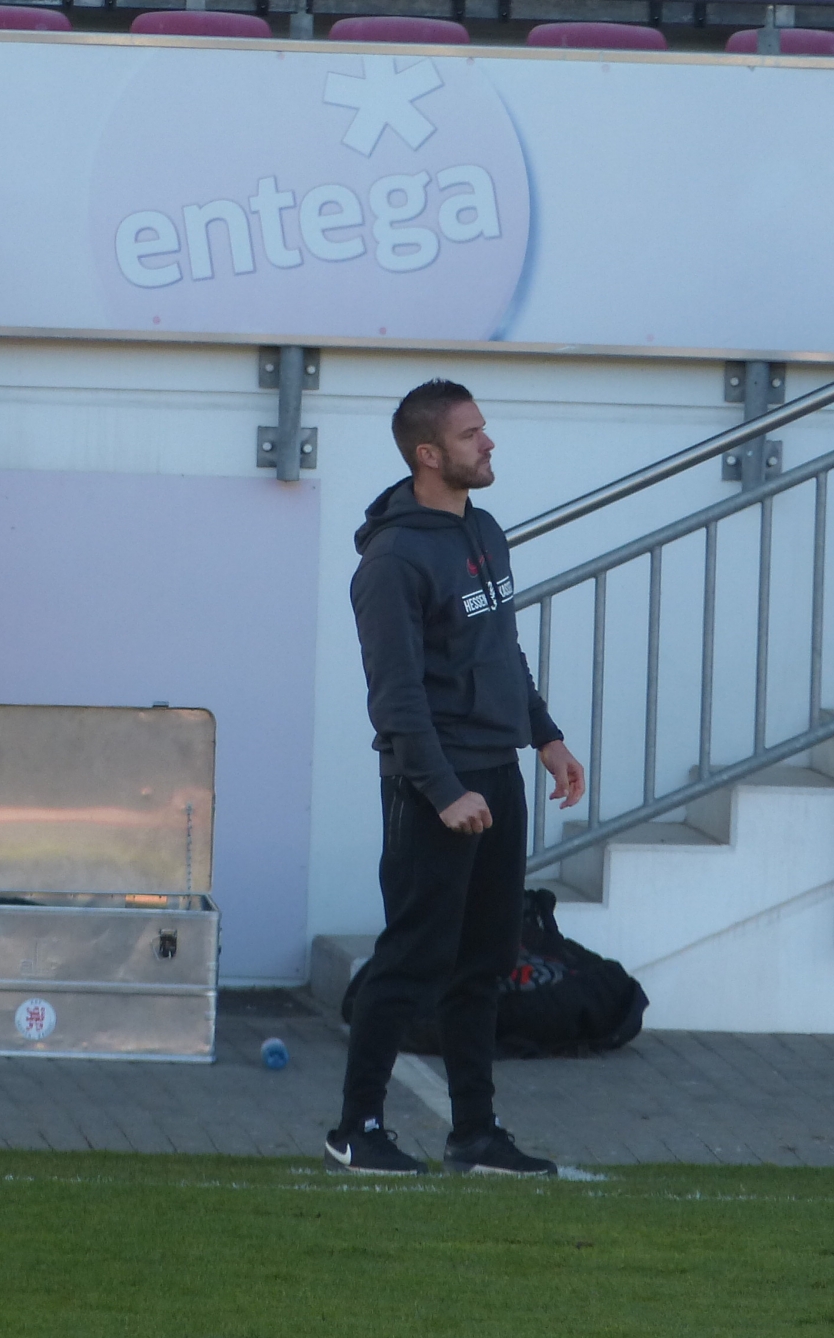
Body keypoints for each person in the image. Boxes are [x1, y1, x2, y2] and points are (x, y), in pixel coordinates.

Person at [328, 379, 587, 1177]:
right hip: (434, 786)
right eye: (472, 434)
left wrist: (544, 736)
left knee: (486, 963)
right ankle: (357, 1130)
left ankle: (475, 1134)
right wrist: (443, 792)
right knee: (411, 959)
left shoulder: (484, 529)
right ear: (428, 455)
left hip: (496, 774)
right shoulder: (393, 560)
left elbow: (500, 648)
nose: (489, 442)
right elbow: (396, 697)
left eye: (484, 428)